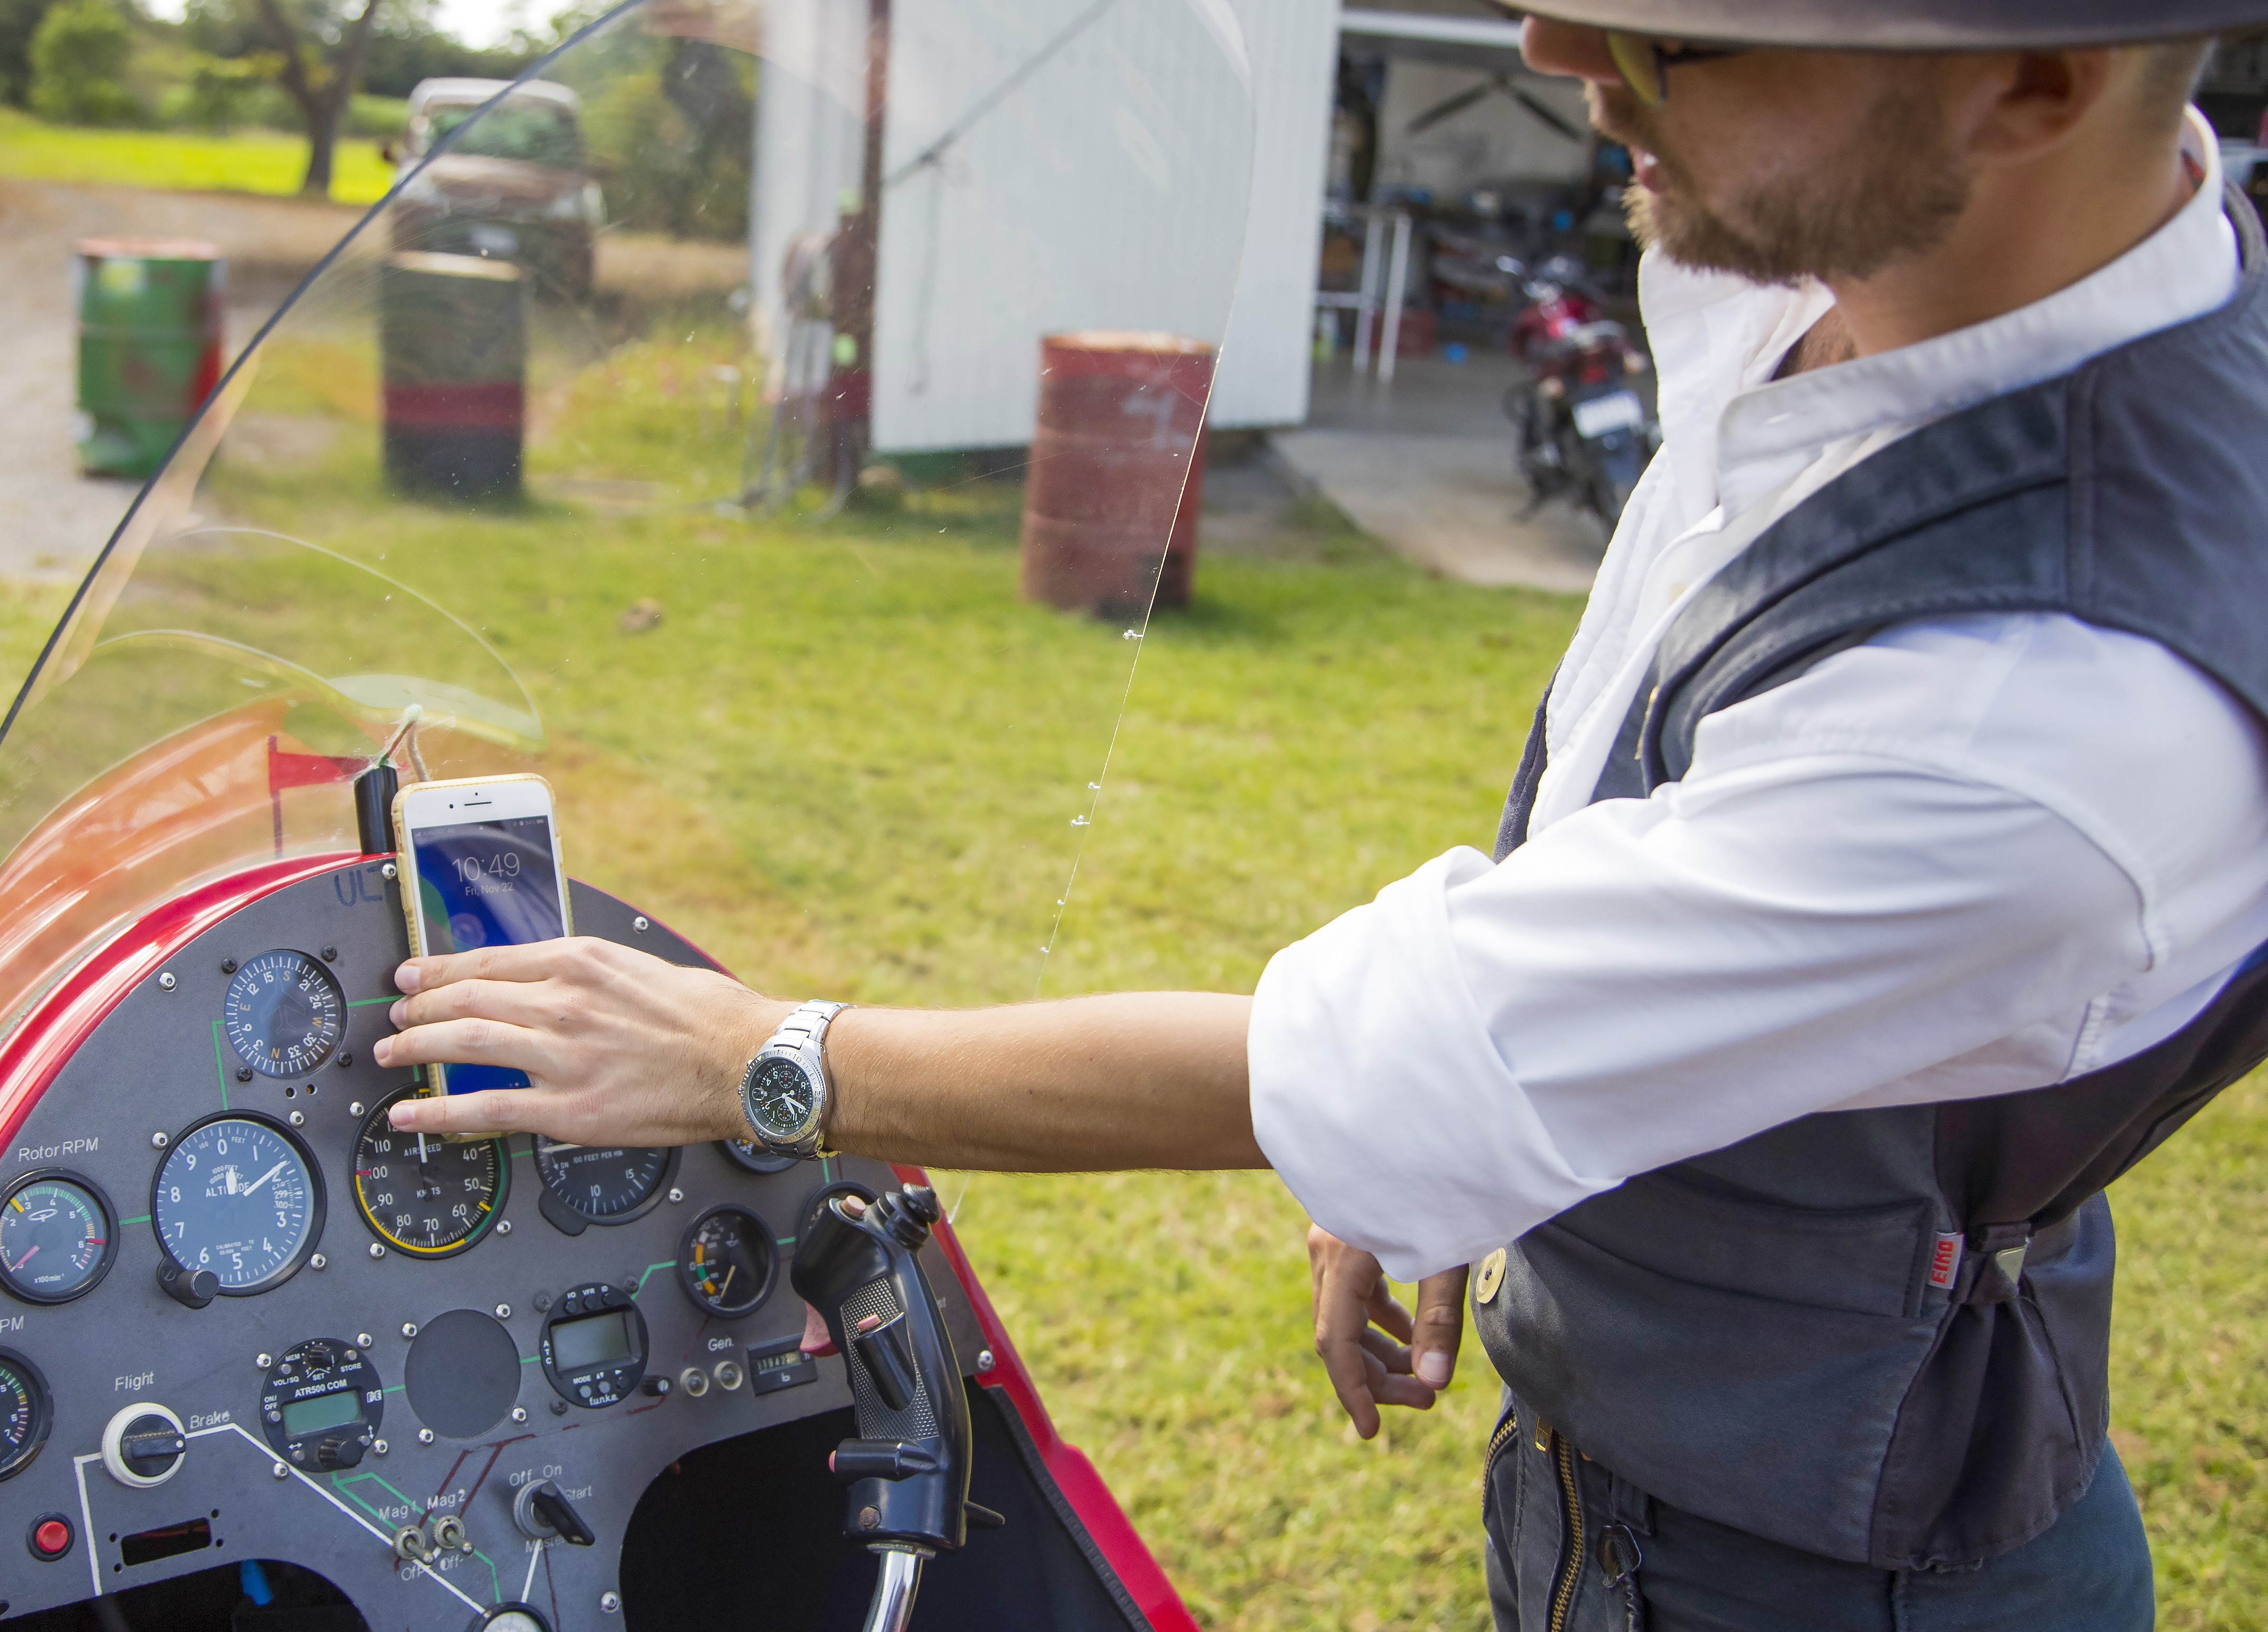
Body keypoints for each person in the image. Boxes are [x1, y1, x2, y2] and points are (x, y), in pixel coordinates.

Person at [380, 4, 2268, 1624]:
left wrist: (759, 1058)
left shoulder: (2046, 719)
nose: (1556, 62)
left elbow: (1379, 1054)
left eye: (1674, 34)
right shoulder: (1869, 267)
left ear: (2036, 83)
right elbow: (1652, 748)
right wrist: (1509, 1121)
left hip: (1814, 1571)